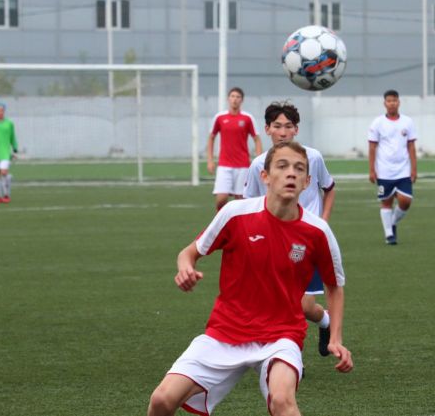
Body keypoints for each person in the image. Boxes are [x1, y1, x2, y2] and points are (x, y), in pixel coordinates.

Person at [148, 141, 353, 416]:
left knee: (282, 401)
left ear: (307, 182)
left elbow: (334, 286)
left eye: (299, 169)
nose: (291, 173)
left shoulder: (318, 231)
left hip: (281, 336)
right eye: (282, 166)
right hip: (225, 332)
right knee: (161, 400)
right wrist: (185, 268)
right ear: (264, 176)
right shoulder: (235, 213)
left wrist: (335, 338)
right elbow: (189, 253)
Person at [243, 101, 336, 358]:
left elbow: (329, 188)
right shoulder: (259, 165)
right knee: (279, 305)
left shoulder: (312, 157)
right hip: (272, 243)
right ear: (267, 129)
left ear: (296, 129)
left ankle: (320, 324)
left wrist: (323, 222)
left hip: (305, 243)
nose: (282, 132)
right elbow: (248, 203)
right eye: (277, 126)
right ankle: (293, 356)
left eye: (288, 126)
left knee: (301, 306)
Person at [367, 89, 417, 245]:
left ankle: (393, 222)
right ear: (385, 103)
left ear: (399, 102)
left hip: (403, 170)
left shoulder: (407, 122)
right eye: (389, 101)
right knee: (386, 202)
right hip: (384, 171)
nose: (392, 103)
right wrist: (372, 170)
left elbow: (411, 146)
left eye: (394, 100)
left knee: (406, 201)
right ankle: (389, 235)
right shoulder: (378, 123)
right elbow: (372, 147)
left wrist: (414, 169)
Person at [206, 87, 263, 211]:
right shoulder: (220, 117)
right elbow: (211, 138)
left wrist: (258, 161)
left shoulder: (248, 118)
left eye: (238, 97)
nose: (235, 99)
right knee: (221, 199)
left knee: (241, 200)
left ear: (242, 100)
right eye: (232, 96)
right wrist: (210, 160)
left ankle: (239, 223)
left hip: (243, 165)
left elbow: (257, 139)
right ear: (228, 99)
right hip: (224, 165)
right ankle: (221, 221)